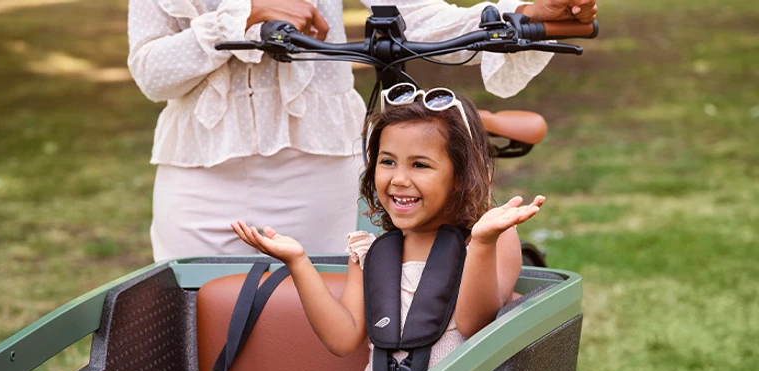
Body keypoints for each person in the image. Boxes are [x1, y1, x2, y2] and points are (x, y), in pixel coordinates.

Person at [127, 0, 592, 261]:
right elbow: (150, 72)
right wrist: (238, 18)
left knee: (315, 324)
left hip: (315, 167)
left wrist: (521, 14)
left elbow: (417, 17)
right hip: (198, 173)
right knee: (190, 322)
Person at [231, 87, 546, 371]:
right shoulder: (373, 252)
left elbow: (475, 323)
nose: (399, 179)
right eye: (387, 162)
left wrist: (482, 243)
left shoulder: (491, 238)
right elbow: (342, 337)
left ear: (459, 175)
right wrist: (298, 261)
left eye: (420, 165)